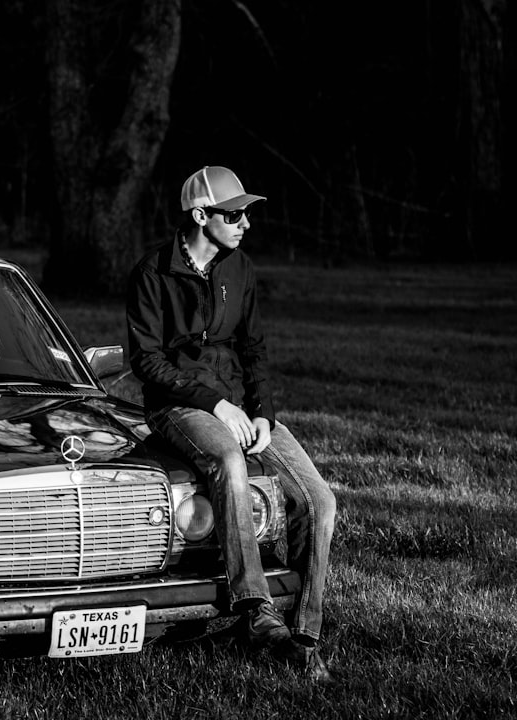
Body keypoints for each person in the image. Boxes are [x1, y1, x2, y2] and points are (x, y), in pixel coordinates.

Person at [125, 165, 337, 683]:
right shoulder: (151, 272)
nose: (246, 224)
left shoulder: (240, 268)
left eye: (246, 214)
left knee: (320, 501)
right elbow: (147, 363)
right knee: (226, 459)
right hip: (179, 406)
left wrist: (264, 414)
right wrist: (218, 405)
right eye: (235, 214)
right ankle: (255, 609)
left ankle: (304, 635)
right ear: (201, 215)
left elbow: (254, 350)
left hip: (244, 410)